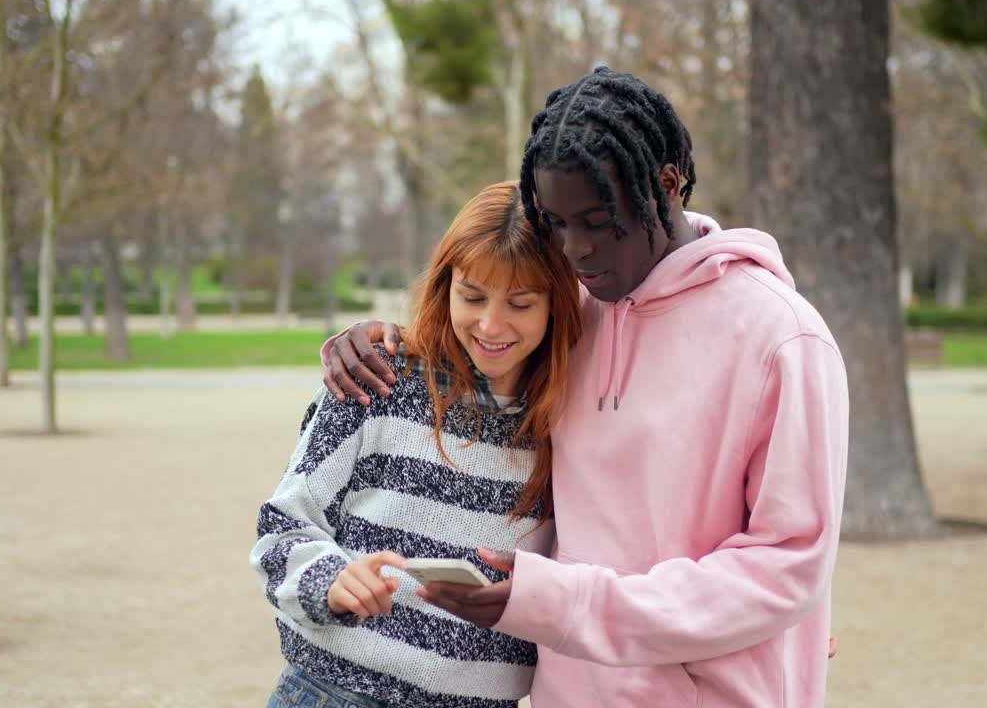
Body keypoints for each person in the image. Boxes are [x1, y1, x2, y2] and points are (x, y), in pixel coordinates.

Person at [321, 67, 850, 707]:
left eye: (598, 221)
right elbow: (482, 334)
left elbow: (786, 563)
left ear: (667, 184)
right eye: (557, 224)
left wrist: (565, 602)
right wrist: (376, 340)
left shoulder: (783, 339)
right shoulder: (571, 311)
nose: (574, 249)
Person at [251, 181, 583, 708]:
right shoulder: (379, 379)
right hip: (335, 692)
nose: (491, 324)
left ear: (557, 305)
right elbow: (282, 525)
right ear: (444, 285)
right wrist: (330, 579)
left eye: (520, 304)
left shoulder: (569, 421)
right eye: (472, 296)